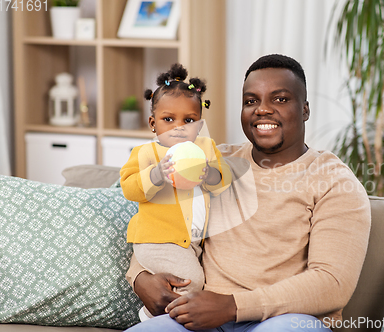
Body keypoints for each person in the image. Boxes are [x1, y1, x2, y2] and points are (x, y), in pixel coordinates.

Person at [125, 54, 371, 331]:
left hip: (283, 319)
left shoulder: (335, 181)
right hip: (198, 318)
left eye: (280, 99)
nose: (262, 110)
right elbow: (161, 220)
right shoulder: (213, 163)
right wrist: (140, 277)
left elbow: (332, 283)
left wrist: (232, 306)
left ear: (304, 109)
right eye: (251, 101)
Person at [120, 63, 231, 322]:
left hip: (191, 242)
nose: (178, 128)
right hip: (158, 240)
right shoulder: (146, 152)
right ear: (153, 123)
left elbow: (223, 179)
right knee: (191, 283)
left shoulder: (205, 148)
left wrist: (210, 174)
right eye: (168, 119)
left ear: (200, 125)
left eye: (189, 120)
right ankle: (149, 318)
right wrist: (156, 175)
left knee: (197, 283)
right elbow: (129, 187)